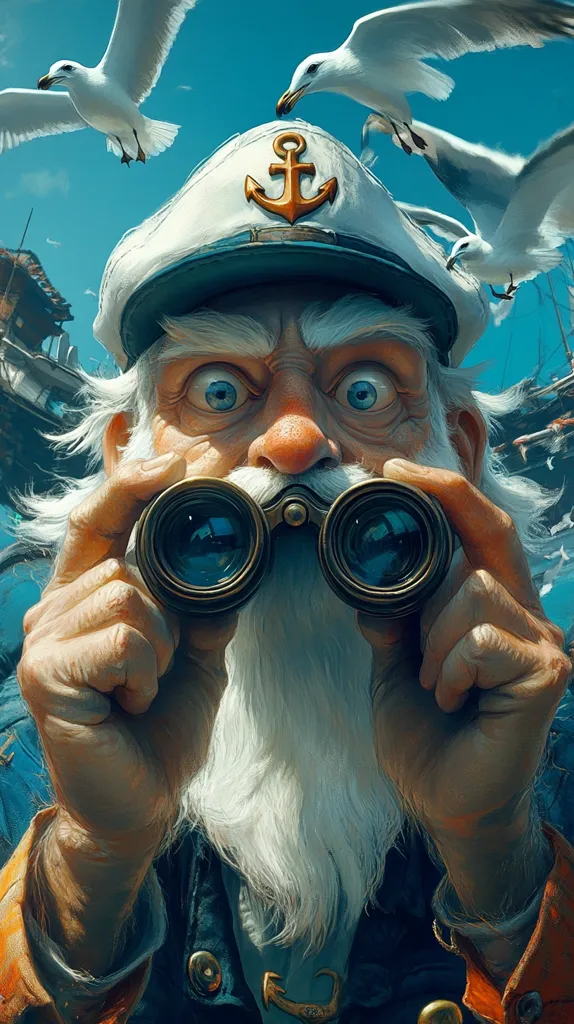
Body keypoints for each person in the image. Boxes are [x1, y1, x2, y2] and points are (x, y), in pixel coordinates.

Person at [0, 120, 572, 1024]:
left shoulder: (554, 732)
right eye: (220, 392)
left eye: (366, 390)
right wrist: (92, 858)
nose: (298, 442)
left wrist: (495, 850)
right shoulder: (24, 747)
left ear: (458, 451)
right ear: (127, 458)